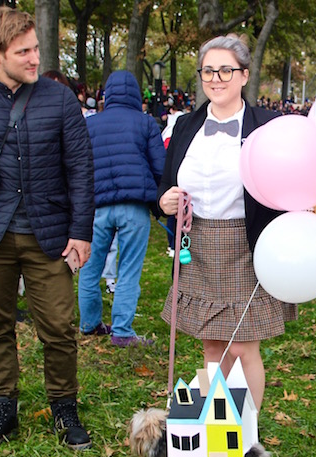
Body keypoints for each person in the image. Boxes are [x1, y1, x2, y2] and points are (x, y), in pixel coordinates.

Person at [0, 7, 95, 451]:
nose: (33, 58)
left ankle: (65, 408)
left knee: (60, 329)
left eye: (36, 48)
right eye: (22, 51)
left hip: (49, 235)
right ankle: (3, 407)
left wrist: (80, 231)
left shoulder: (59, 98)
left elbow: (80, 167)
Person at [157, 34, 296, 411]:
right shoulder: (185, 125)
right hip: (197, 243)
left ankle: (247, 431)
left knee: (243, 344)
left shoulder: (267, 125)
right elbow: (167, 178)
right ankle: (219, 425)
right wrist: (165, 199)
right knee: (212, 344)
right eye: (208, 71)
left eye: (225, 70)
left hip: (245, 244)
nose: (216, 79)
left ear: (244, 75)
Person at [78, 70, 165, 346]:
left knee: (90, 268)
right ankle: (122, 332)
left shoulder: (90, 124)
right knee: (129, 269)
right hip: (134, 205)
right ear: (136, 94)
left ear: (107, 94)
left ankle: (89, 324)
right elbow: (160, 166)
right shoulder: (145, 123)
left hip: (97, 206)